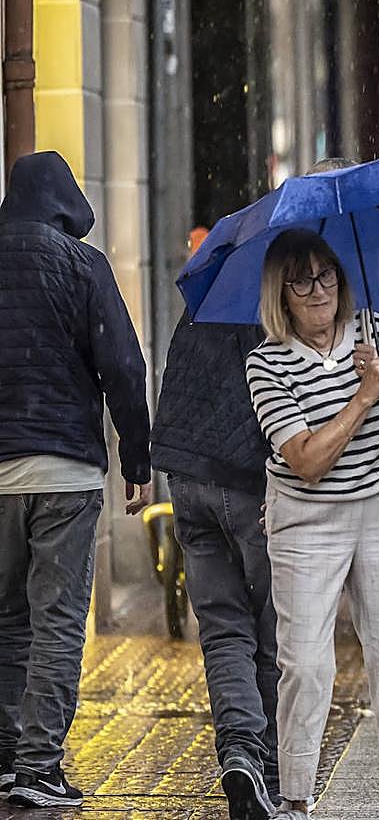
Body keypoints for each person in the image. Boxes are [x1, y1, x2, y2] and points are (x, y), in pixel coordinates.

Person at [244, 229, 379, 819]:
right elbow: (306, 460)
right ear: (282, 293)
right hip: (307, 520)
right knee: (305, 662)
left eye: (327, 274)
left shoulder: (373, 330)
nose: (319, 289)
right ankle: (296, 800)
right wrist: (362, 396)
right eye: (301, 280)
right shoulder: (265, 363)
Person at [0, 151, 151, 807]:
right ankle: (38, 769)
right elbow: (122, 364)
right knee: (58, 621)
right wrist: (137, 459)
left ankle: (7, 758)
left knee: (8, 619)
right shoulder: (83, 266)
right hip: (63, 469)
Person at [151, 306, 278, 820]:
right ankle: (268, 767)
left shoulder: (205, 298)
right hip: (253, 483)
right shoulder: (277, 306)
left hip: (189, 478)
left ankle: (240, 752)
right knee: (276, 628)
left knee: (223, 628)